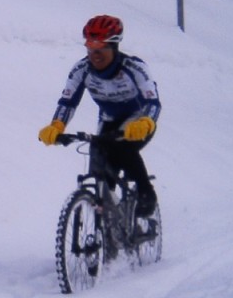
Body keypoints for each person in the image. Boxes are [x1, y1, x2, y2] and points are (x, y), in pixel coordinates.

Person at [38, 14, 161, 217]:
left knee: (123, 149)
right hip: (109, 121)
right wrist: (57, 126)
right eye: (90, 48)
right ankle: (108, 223)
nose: (95, 54)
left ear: (114, 47)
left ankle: (146, 192)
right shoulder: (81, 70)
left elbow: (153, 102)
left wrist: (147, 121)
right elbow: (68, 102)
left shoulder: (135, 68)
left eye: (101, 48)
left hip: (139, 120)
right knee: (100, 166)